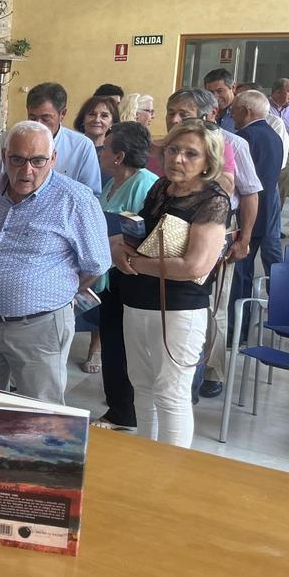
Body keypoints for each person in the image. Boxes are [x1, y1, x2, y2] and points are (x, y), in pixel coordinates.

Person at [0, 121, 111, 404]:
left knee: (39, 420)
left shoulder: (75, 200)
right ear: (4, 157)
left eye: (38, 160)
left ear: (52, 159)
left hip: (39, 327)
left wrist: (53, 290)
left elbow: (96, 264)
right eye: (17, 159)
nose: (27, 170)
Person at [111, 120, 229, 447]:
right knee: (142, 385)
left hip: (178, 309)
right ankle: (146, 462)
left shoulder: (213, 200)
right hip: (137, 300)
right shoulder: (161, 187)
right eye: (174, 150)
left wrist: (135, 263)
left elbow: (195, 266)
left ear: (208, 162)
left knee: (171, 394)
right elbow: (144, 237)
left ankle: (171, 476)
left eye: (191, 154)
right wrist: (120, 249)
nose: (178, 159)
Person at [161, 89, 255, 400]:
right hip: (170, 238)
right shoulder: (166, 145)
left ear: (208, 116)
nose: (174, 119)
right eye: (170, 112)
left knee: (213, 308)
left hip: (216, 234)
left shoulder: (234, 145)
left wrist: (245, 238)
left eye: (183, 114)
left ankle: (210, 371)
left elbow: (249, 194)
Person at [91, 122, 159, 430]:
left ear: (118, 156)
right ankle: (117, 407)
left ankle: (124, 411)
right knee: (113, 342)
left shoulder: (145, 183)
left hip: (132, 276)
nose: (100, 152)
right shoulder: (112, 182)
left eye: (105, 148)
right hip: (109, 274)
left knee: (126, 345)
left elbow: (144, 235)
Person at [0, 82, 102, 195]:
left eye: (45, 118)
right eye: (32, 117)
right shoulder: (9, 138)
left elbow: (90, 195)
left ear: (62, 114)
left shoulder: (82, 146)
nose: (38, 124)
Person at [231, 90, 285, 339]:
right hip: (268, 209)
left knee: (240, 274)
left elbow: (242, 183)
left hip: (248, 213)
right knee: (254, 269)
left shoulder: (243, 138)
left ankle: (236, 330)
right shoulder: (274, 135)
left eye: (235, 109)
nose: (232, 114)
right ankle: (247, 325)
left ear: (246, 111)